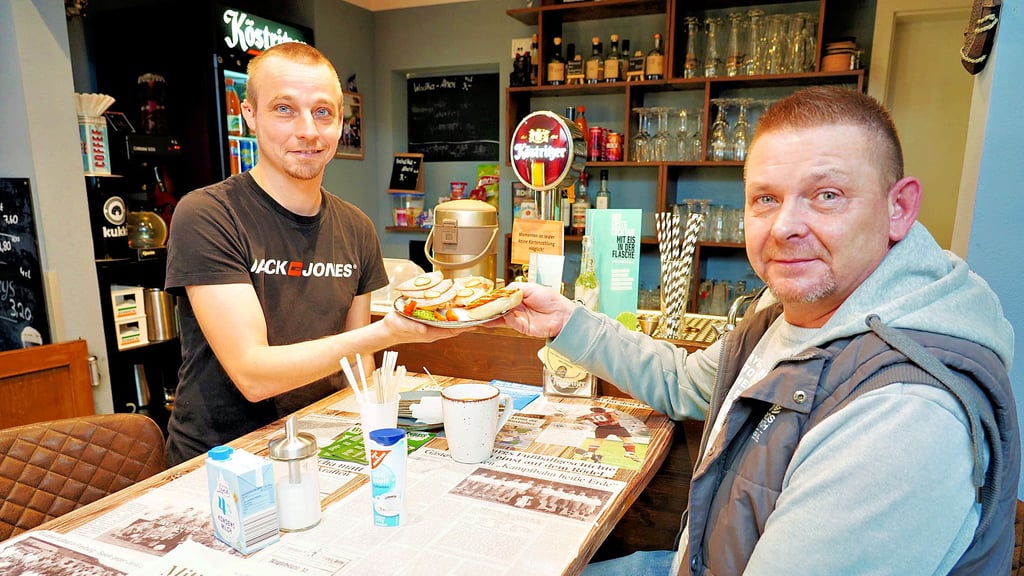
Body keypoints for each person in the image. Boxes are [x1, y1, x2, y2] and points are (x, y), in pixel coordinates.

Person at [498, 86, 1018, 575]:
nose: (784, 226)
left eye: (827, 195)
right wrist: (566, 322)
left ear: (898, 208)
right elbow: (684, 381)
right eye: (766, 198)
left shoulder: (905, 416)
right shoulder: (788, 309)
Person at [164, 42, 453, 466]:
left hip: (323, 446)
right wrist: (390, 331)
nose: (308, 131)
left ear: (340, 122)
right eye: (284, 109)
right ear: (250, 115)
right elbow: (253, 375)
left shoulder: (356, 227)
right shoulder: (208, 215)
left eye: (323, 112)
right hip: (226, 461)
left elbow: (360, 369)